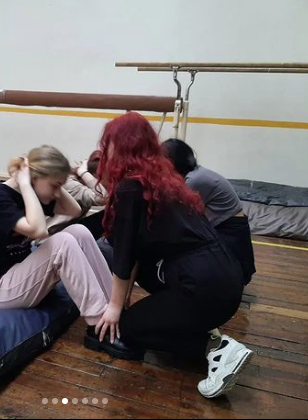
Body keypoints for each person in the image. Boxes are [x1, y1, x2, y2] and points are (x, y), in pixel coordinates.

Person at [88, 113, 253, 399]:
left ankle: (215, 349)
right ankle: (204, 327)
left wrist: (114, 308)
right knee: (147, 278)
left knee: (128, 328)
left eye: (108, 144)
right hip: (225, 276)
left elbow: (123, 255)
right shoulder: (164, 180)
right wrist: (123, 300)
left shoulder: (130, 187)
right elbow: (136, 254)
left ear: (120, 146)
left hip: (203, 286)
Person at [0, 144, 141, 359]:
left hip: (21, 277)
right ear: (34, 178)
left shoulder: (34, 191)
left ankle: (112, 311)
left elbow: (73, 211)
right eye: (54, 186)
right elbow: (39, 230)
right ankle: (98, 325)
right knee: (62, 242)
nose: (56, 193)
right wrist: (25, 183)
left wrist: (54, 183)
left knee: (78, 231)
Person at [161, 138, 256, 285]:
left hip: (229, 229)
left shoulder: (194, 180)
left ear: (172, 161)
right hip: (225, 226)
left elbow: (177, 213)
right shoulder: (194, 173)